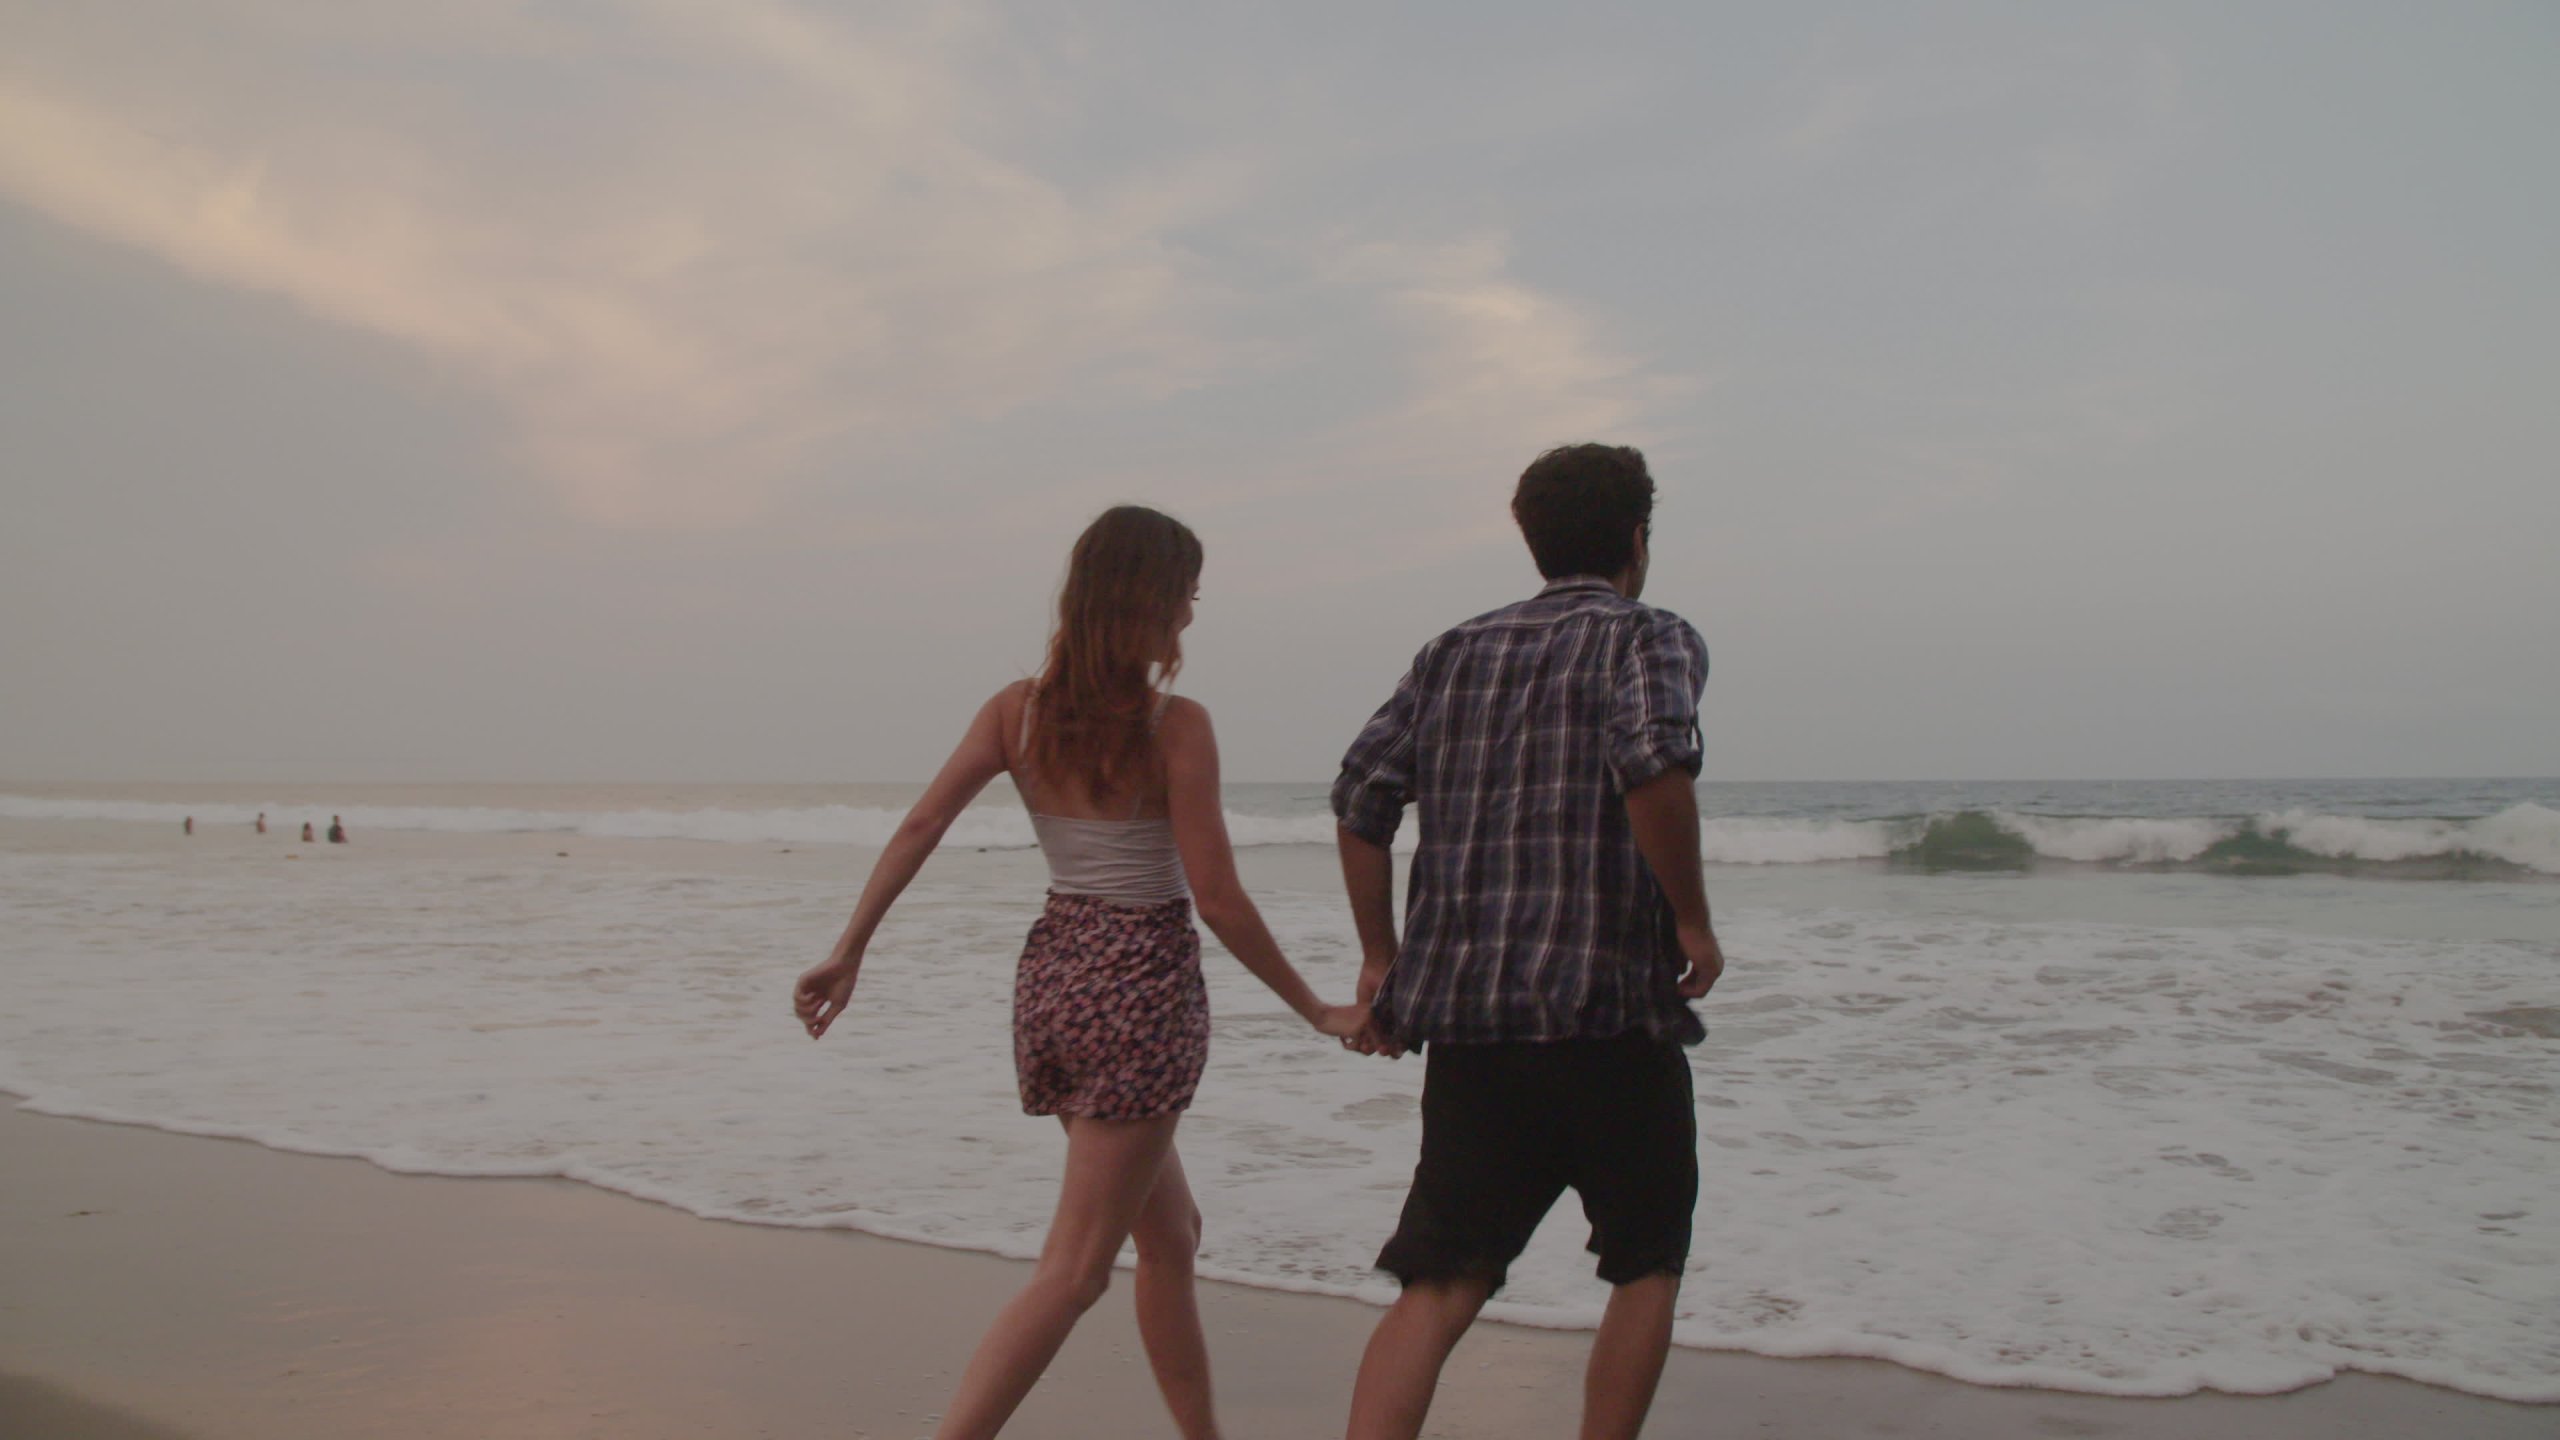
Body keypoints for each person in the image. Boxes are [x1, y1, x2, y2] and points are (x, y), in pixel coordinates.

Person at [793, 504, 1368, 1440]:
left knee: (1171, 1236)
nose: (1188, 619)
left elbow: (920, 827)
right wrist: (1316, 1010)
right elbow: (1217, 898)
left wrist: (849, 947)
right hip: (1138, 985)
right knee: (1075, 1271)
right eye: (1182, 598)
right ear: (1142, 603)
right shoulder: (1175, 726)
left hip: (1055, 977)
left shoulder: (1013, 711)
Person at [1330, 443, 1727, 1440]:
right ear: (1637, 537)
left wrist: (1382, 962)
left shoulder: (1454, 651)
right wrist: (1691, 918)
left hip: (1471, 1027)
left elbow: (1360, 801)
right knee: (1644, 1264)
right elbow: (1651, 767)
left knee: (1439, 1281)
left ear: (1533, 539)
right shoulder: (1651, 636)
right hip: (1608, 1013)